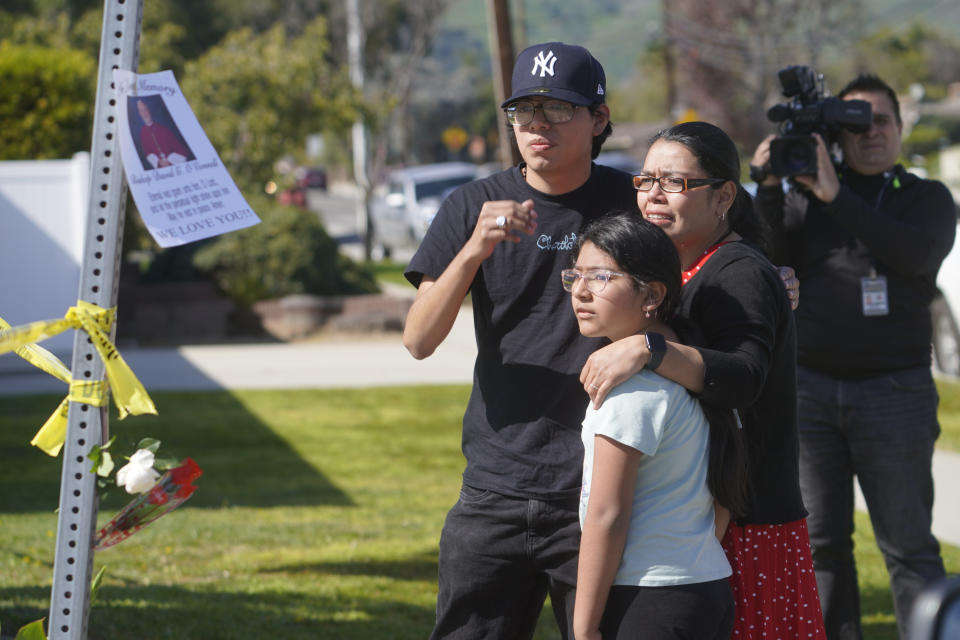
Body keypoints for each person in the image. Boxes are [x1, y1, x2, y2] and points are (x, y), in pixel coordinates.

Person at [403, 42, 634, 639]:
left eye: (558, 109)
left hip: (599, 485)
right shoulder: (472, 204)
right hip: (494, 486)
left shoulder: (631, 205)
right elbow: (419, 339)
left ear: (599, 120)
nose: (537, 123)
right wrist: (473, 249)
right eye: (523, 109)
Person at [579, 121, 827, 640]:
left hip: (747, 528)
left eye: (675, 183)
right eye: (645, 181)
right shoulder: (689, 266)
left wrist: (649, 349)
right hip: (703, 526)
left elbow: (742, 378)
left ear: (725, 196)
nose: (653, 196)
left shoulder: (739, 273)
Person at [751, 74, 954, 639]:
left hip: (895, 393)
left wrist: (835, 196)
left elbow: (913, 255)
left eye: (881, 120)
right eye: (855, 124)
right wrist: (768, 184)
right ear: (834, 135)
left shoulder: (925, 198)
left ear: (899, 125)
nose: (870, 134)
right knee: (821, 546)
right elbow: (767, 258)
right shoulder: (802, 199)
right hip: (811, 391)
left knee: (909, 544)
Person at [568, 212, 739, 640]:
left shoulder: (630, 392)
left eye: (602, 277)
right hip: (706, 586)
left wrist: (584, 627)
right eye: (575, 275)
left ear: (652, 295)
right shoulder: (700, 372)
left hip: (648, 598)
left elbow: (607, 515)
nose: (581, 292)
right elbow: (725, 494)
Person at [136, 98, 190, 169]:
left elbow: (180, 150)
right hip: (159, 168)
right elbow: (147, 153)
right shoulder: (142, 132)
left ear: (149, 110)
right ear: (140, 113)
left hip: (174, 166)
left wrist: (169, 162)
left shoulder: (163, 129)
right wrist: (158, 162)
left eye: (145, 109)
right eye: (141, 111)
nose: (144, 113)